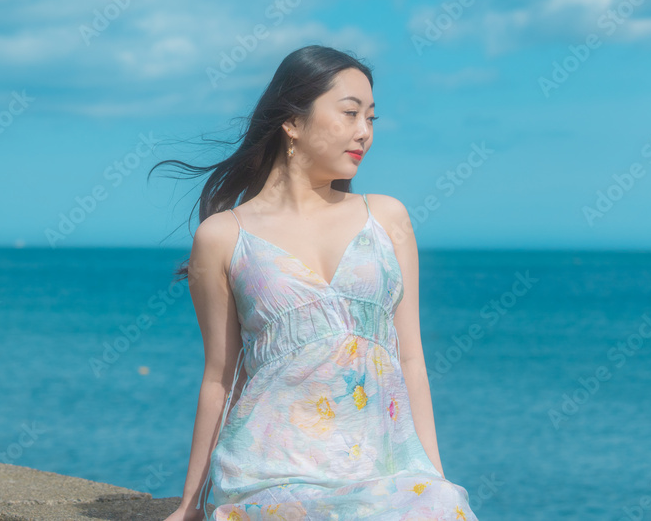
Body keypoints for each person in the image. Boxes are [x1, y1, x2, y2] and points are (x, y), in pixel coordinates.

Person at [155, 45, 478, 520]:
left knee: (440, 504)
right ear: (291, 121)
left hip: (381, 471)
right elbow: (221, 378)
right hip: (269, 474)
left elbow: (411, 358)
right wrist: (188, 505)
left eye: (371, 117)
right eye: (349, 113)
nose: (363, 132)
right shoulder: (224, 236)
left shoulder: (386, 218)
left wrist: (433, 475)